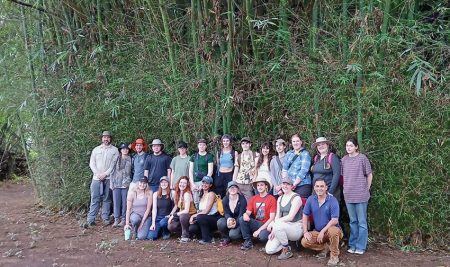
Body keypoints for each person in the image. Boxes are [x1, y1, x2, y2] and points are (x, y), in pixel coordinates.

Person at [341, 137, 373, 255]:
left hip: (361, 195)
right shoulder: (344, 160)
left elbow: (369, 175)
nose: (348, 148)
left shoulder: (362, 158)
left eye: (351, 145)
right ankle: (353, 245)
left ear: (356, 147)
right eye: (347, 145)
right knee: (353, 221)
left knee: (362, 222)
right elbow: (344, 177)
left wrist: (367, 188)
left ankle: (361, 246)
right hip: (348, 195)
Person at [301, 178, 343, 266]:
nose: (319, 188)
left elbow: (335, 220)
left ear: (326, 188)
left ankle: (334, 256)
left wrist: (323, 231)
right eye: (317, 186)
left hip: (331, 231)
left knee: (333, 230)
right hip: (318, 232)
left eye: (322, 186)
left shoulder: (332, 200)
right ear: (314, 188)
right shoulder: (311, 199)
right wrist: (305, 231)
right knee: (304, 241)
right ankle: (325, 247)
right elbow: (305, 215)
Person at [84, 131, 119, 227]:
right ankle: (91, 219)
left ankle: (105, 218)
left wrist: (105, 174)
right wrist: (98, 174)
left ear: (110, 138)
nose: (106, 139)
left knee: (107, 199)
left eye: (108, 137)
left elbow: (113, 164)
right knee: (95, 198)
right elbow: (92, 163)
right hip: (96, 178)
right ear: (102, 138)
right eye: (104, 137)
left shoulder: (115, 150)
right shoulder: (96, 150)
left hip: (108, 178)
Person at [265, 177, 303, 259]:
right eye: (283, 184)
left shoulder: (296, 198)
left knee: (278, 226)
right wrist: (274, 230)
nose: (285, 186)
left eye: (288, 184)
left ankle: (286, 250)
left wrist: (275, 224)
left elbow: (290, 217)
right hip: (282, 226)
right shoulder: (280, 198)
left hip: (296, 226)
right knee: (269, 250)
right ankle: (287, 245)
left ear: (292, 186)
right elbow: (277, 216)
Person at [239, 177, 276, 250]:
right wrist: (245, 214)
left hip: (266, 224)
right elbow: (248, 212)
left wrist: (259, 230)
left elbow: (272, 218)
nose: (259, 187)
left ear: (266, 186)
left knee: (262, 237)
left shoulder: (271, 199)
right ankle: (248, 241)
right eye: (258, 185)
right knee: (242, 219)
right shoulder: (254, 198)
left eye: (262, 185)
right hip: (257, 223)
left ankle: (268, 243)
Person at [188, 176, 222, 244]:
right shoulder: (201, 194)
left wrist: (193, 216)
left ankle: (207, 239)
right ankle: (208, 235)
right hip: (204, 219)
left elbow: (206, 211)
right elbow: (200, 211)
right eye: (203, 182)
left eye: (207, 183)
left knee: (200, 217)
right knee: (192, 228)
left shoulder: (211, 194)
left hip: (213, 218)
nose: (204, 184)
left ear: (210, 185)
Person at [282, 134, 312, 204]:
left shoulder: (305, 154)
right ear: (291, 143)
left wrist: (294, 184)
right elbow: (284, 169)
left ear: (301, 142)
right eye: (294, 141)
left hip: (302, 185)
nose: (295, 143)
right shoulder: (289, 153)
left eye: (297, 141)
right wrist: (285, 183)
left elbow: (304, 170)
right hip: (290, 185)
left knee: (300, 206)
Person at [217, 181, 247, 246]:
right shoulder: (225, 199)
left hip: (239, 221)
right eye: (231, 188)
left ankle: (240, 236)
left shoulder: (242, 199)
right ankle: (226, 238)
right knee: (220, 222)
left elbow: (241, 214)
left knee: (233, 235)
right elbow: (226, 212)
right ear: (228, 189)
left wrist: (235, 224)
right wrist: (229, 219)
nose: (232, 189)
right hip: (230, 220)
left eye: (234, 187)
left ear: (238, 189)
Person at [167, 176, 197, 242]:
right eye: (181, 182)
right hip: (182, 217)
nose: (182, 184)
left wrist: (173, 215)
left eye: (184, 183)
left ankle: (185, 236)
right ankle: (187, 232)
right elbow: (177, 206)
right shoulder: (178, 193)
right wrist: (171, 214)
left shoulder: (186, 194)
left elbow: (186, 210)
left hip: (190, 215)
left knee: (183, 216)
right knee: (171, 226)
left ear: (187, 185)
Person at [111, 142, 132, 227]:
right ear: (120, 150)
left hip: (126, 184)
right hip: (116, 183)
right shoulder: (116, 158)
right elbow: (112, 171)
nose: (125, 150)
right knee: (116, 202)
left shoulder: (131, 158)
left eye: (126, 149)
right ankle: (116, 219)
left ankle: (123, 219)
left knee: (125, 202)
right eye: (123, 149)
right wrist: (111, 183)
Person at [189, 138, 214, 208]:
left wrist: (204, 184)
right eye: (200, 145)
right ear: (198, 146)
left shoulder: (209, 156)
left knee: (204, 199)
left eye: (203, 145)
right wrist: (192, 183)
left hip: (204, 181)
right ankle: (197, 213)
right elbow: (190, 170)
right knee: (196, 200)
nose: (201, 146)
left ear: (206, 146)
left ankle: (203, 213)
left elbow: (210, 171)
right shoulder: (193, 156)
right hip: (194, 181)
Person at [147, 176, 174, 240]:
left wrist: (171, 214)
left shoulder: (172, 193)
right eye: (162, 182)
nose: (163, 184)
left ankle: (166, 232)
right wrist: (153, 223)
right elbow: (154, 209)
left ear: (168, 183)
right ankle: (159, 231)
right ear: (160, 184)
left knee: (163, 223)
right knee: (151, 237)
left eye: (165, 182)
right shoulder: (156, 194)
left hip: (167, 217)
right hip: (158, 218)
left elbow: (176, 206)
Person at [233, 137, 258, 201]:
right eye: (243, 143)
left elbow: (257, 169)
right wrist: (233, 183)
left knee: (249, 203)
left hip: (249, 184)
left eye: (247, 143)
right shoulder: (238, 157)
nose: (245, 145)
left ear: (250, 144)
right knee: (239, 203)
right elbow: (236, 171)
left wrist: (254, 182)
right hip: (239, 183)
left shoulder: (256, 155)